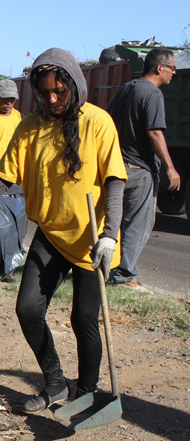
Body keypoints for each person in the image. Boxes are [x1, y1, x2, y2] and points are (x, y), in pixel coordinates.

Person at [0, 48, 127, 412]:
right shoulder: (31, 126)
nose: (53, 99)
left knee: (83, 319)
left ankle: (86, 390)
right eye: (45, 93)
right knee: (27, 308)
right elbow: (4, 175)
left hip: (92, 239)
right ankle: (55, 382)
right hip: (52, 235)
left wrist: (110, 235)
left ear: (74, 85)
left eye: (60, 92)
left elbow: (116, 182)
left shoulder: (98, 122)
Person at [106, 48, 180, 287]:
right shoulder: (153, 94)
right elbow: (155, 132)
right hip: (140, 169)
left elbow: (107, 121)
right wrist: (170, 168)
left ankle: (106, 267)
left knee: (114, 221)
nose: (174, 72)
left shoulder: (126, 88)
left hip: (117, 168)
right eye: (171, 68)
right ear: (160, 68)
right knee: (137, 223)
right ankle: (124, 275)